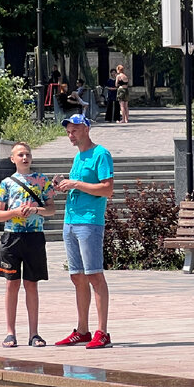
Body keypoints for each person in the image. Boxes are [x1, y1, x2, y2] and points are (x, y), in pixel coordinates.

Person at [54, 114, 114, 350]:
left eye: (75, 130)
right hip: (70, 221)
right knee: (76, 275)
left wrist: (75, 184)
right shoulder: (78, 157)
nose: (71, 135)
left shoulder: (101, 154)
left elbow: (107, 189)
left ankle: (103, 332)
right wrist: (63, 185)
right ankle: (82, 330)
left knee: (94, 275)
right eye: (68, 131)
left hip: (89, 222)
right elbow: (79, 185)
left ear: (86, 129)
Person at [0, 141, 55, 349]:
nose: (24, 158)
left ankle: (34, 333)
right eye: (20, 154)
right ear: (12, 159)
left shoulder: (41, 181)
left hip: (34, 237)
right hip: (12, 238)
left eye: (27, 154)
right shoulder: (6, 183)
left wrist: (36, 210)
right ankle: (10, 332)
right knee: (12, 284)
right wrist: (15, 213)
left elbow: (51, 210)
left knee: (32, 284)